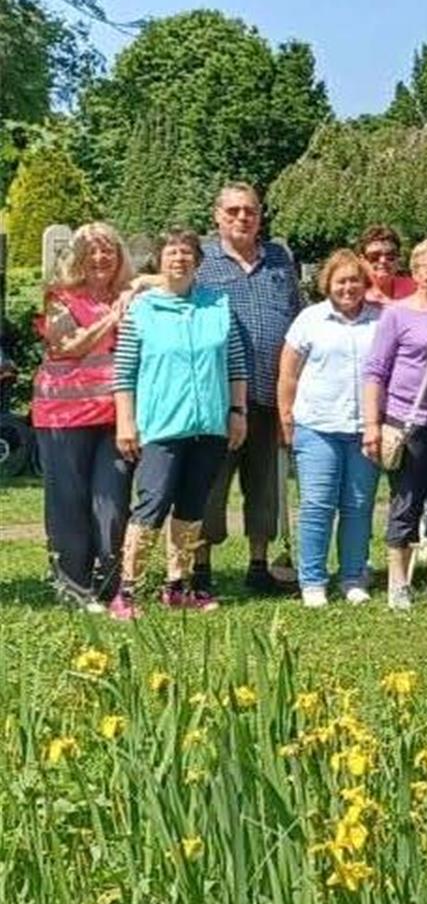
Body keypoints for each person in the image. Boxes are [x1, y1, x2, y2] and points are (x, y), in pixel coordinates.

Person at [109, 228, 248, 619]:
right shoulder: (142, 309)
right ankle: (128, 591)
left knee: (191, 506)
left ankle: (177, 586)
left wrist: (237, 412)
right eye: (172, 252)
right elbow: (124, 372)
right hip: (161, 426)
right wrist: (126, 422)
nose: (180, 259)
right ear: (159, 259)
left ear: (198, 261)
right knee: (151, 505)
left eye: (187, 253)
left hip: (210, 426)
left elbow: (235, 365)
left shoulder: (217, 305)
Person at [197, 181, 303, 595]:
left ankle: (259, 565)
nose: (243, 218)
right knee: (209, 484)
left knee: (264, 487)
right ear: (217, 215)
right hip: (217, 397)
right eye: (234, 211)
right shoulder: (203, 260)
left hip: (271, 392)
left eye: (251, 211)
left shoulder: (278, 259)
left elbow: (296, 317)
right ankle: (201, 567)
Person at [33, 222, 136, 611]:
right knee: (68, 502)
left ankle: (110, 584)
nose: (99, 258)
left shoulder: (128, 295)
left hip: (116, 416)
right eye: (91, 251)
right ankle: (72, 586)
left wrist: (133, 290)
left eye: (108, 250)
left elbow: (172, 272)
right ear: (77, 257)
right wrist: (110, 319)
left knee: (111, 501)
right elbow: (66, 347)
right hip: (63, 416)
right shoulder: (59, 298)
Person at [362, 238, 427, 610]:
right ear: (416, 272)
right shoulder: (397, 314)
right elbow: (375, 370)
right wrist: (372, 424)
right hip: (405, 421)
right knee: (406, 500)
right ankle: (398, 582)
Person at [277, 249, 381, 607]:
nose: (348, 287)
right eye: (341, 281)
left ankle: (352, 576)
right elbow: (288, 371)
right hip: (317, 425)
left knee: (357, 505)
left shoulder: (380, 320)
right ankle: (313, 580)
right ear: (328, 284)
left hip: (364, 429)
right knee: (318, 505)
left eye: (355, 280)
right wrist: (286, 416)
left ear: (364, 283)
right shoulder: (310, 319)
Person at [359, 226, 415, 306]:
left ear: (398, 258)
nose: (383, 261)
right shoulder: (356, 296)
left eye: (390, 256)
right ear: (362, 260)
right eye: (375, 256)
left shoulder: (413, 289)